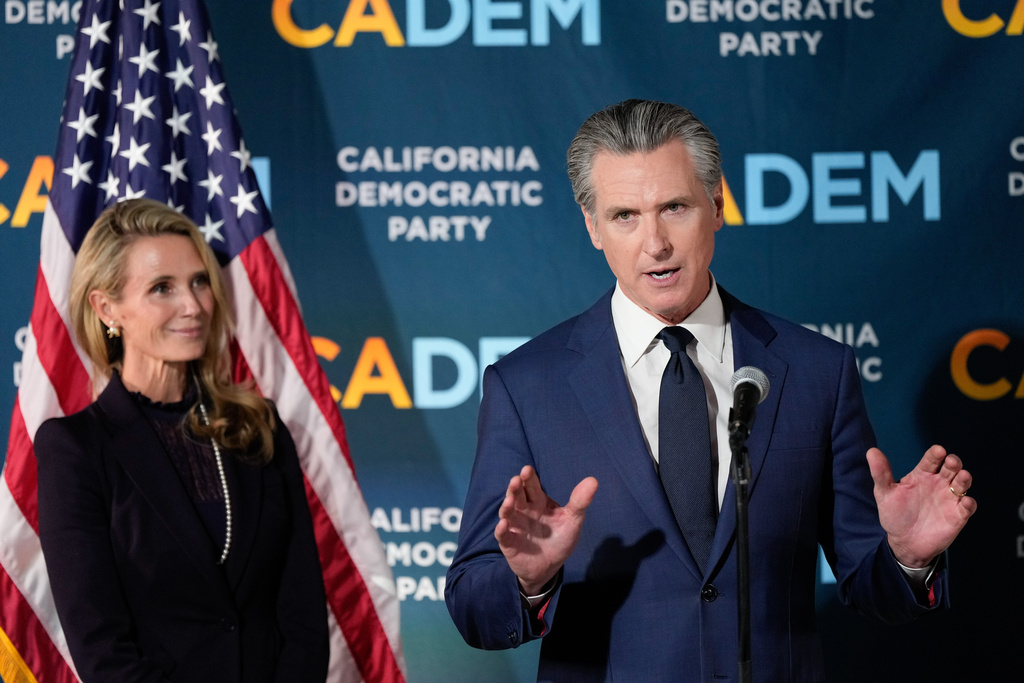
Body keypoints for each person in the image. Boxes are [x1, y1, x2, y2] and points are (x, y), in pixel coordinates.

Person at [445, 100, 976, 681]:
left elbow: (870, 585)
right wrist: (529, 580)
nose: (655, 243)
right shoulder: (525, 386)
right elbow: (473, 605)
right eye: (625, 216)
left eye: (674, 207)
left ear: (716, 206)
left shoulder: (817, 371)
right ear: (593, 227)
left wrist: (909, 558)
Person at [35, 199, 329, 682]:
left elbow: (303, 619)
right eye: (162, 288)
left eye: (198, 281)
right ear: (108, 308)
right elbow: (102, 650)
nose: (193, 305)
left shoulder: (259, 427)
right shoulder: (76, 449)